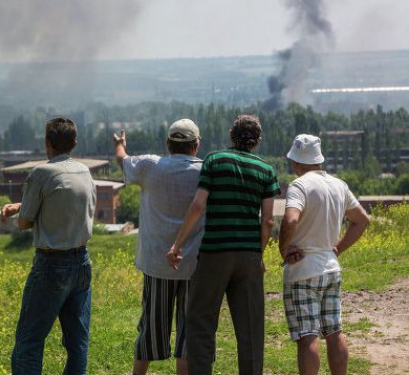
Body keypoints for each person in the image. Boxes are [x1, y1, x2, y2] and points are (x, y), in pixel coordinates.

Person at [167, 115, 280, 375]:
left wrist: (177, 245)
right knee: (250, 328)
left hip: (214, 254)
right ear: (257, 140)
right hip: (248, 256)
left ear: (231, 134)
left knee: (201, 322)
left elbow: (198, 205)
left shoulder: (215, 161)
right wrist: (258, 255)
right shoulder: (266, 170)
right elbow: (268, 221)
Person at [0, 117, 96, 375]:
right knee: (77, 343)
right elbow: (65, 203)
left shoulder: (41, 173)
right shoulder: (84, 172)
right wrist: (20, 205)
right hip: (82, 262)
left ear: (47, 143)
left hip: (51, 264)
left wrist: (19, 211)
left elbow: (24, 223)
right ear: (74, 143)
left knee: (29, 341)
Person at [113, 119, 204, 375]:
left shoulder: (150, 166)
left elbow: (122, 160)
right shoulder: (206, 171)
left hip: (156, 264)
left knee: (150, 329)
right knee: (188, 334)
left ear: (168, 144)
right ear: (196, 145)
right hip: (193, 264)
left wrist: (120, 145)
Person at [279, 134, 369, 375]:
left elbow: (290, 219)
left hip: (302, 271)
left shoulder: (300, 186)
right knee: (334, 331)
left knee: (307, 336)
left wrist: (283, 249)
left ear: (297, 162)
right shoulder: (339, 185)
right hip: (331, 268)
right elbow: (361, 220)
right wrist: (337, 248)